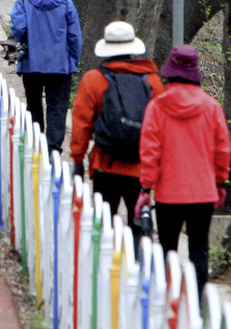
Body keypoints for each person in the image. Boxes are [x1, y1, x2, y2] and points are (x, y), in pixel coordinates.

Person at [138, 44, 231, 287]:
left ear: (170, 71)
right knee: (199, 249)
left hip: (168, 194)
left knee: (167, 249)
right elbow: (222, 151)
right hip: (203, 193)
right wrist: (220, 183)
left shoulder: (157, 107)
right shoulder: (211, 107)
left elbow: (150, 153)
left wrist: (145, 190)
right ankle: (197, 306)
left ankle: (167, 300)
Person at [67, 20, 165, 229]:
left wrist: (77, 159)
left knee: (103, 224)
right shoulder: (153, 82)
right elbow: (161, 129)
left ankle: (104, 260)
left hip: (105, 164)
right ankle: (137, 258)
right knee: (137, 224)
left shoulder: (93, 79)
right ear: (133, 50)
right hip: (140, 168)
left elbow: (81, 123)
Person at [9, 0, 82, 153]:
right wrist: (72, 61)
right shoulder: (66, 3)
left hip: (31, 64)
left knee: (33, 103)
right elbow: (75, 37)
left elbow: (18, 29)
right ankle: (53, 147)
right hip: (60, 65)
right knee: (57, 106)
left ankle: (36, 140)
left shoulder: (24, 1)